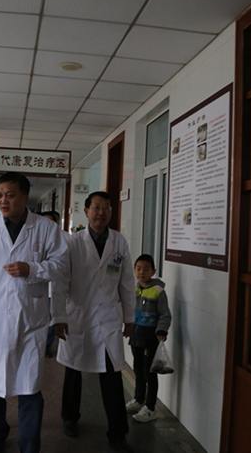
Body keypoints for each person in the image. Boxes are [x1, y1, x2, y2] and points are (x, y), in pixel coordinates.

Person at [0, 172, 68, 453]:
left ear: (24, 197)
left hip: (30, 317)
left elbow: (61, 266)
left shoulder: (45, 228)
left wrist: (32, 269)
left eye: (10, 195)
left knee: (30, 385)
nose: (3, 200)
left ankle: (29, 446)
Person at [53, 191, 136, 453]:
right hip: (78, 317)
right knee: (73, 372)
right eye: (96, 207)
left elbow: (127, 283)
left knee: (112, 378)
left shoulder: (119, 242)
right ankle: (70, 417)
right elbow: (60, 283)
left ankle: (118, 434)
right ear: (87, 211)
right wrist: (59, 317)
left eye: (107, 207)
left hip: (108, 319)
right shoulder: (73, 243)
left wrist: (130, 318)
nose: (101, 212)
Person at [126, 254, 171, 423]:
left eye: (146, 269)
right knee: (138, 370)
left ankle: (150, 408)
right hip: (135, 337)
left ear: (153, 271)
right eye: (138, 269)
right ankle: (139, 400)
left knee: (149, 373)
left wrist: (162, 330)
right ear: (134, 270)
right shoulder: (134, 289)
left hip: (149, 339)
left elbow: (165, 314)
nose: (141, 272)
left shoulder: (158, 291)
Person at [40, 210, 69, 358]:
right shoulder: (36, 237)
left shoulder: (66, 239)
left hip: (56, 287)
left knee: (52, 319)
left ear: (57, 223)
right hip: (38, 287)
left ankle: (47, 344)